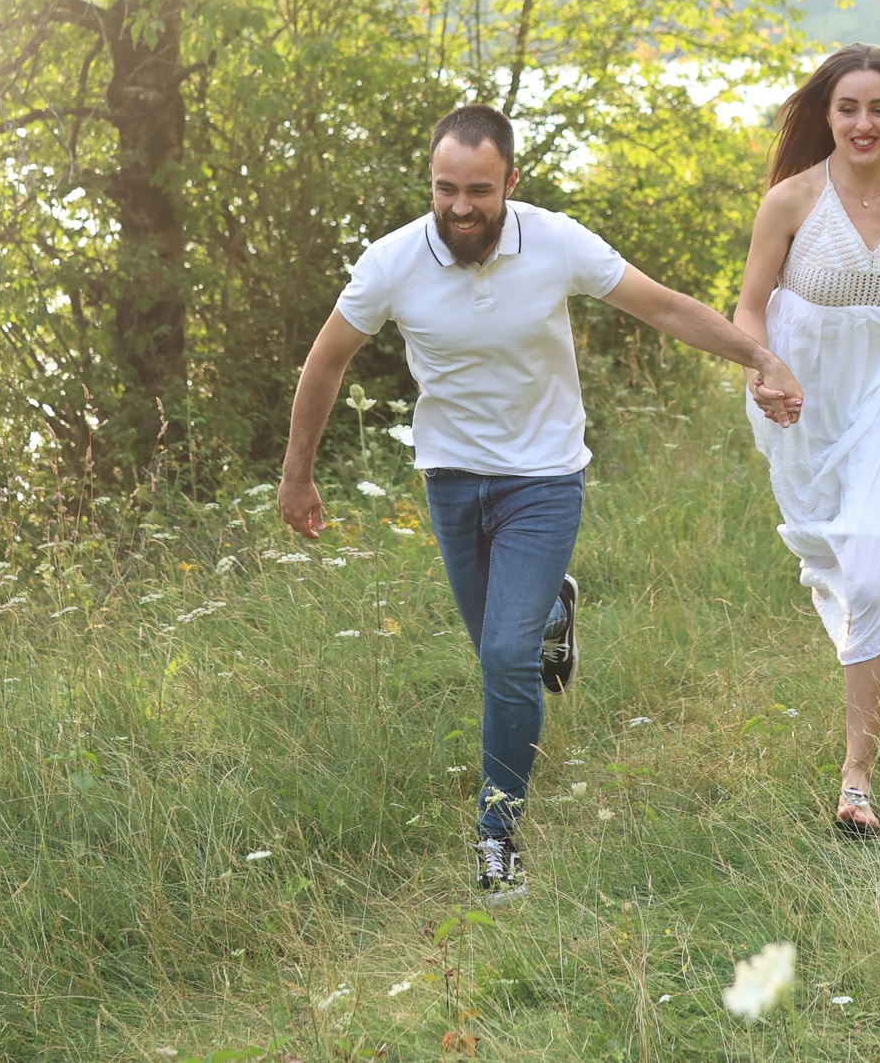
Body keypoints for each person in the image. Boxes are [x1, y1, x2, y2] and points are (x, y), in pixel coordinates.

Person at [279, 104, 803, 898]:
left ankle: (498, 834)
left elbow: (660, 304)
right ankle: (553, 610)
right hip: (451, 480)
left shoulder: (556, 242)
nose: (459, 206)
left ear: (510, 183)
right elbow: (324, 364)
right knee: (499, 653)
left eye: (478, 189)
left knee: (501, 658)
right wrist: (297, 473)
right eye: (445, 188)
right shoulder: (391, 263)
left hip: (545, 480)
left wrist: (757, 354)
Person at [732, 45, 880, 838]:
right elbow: (750, 305)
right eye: (848, 108)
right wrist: (764, 368)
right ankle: (855, 763)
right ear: (826, 114)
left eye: (879, 109)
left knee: (874, 569)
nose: (863, 123)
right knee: (832, 555)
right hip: (805, 397)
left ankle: (856, 779)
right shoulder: (792, 201)